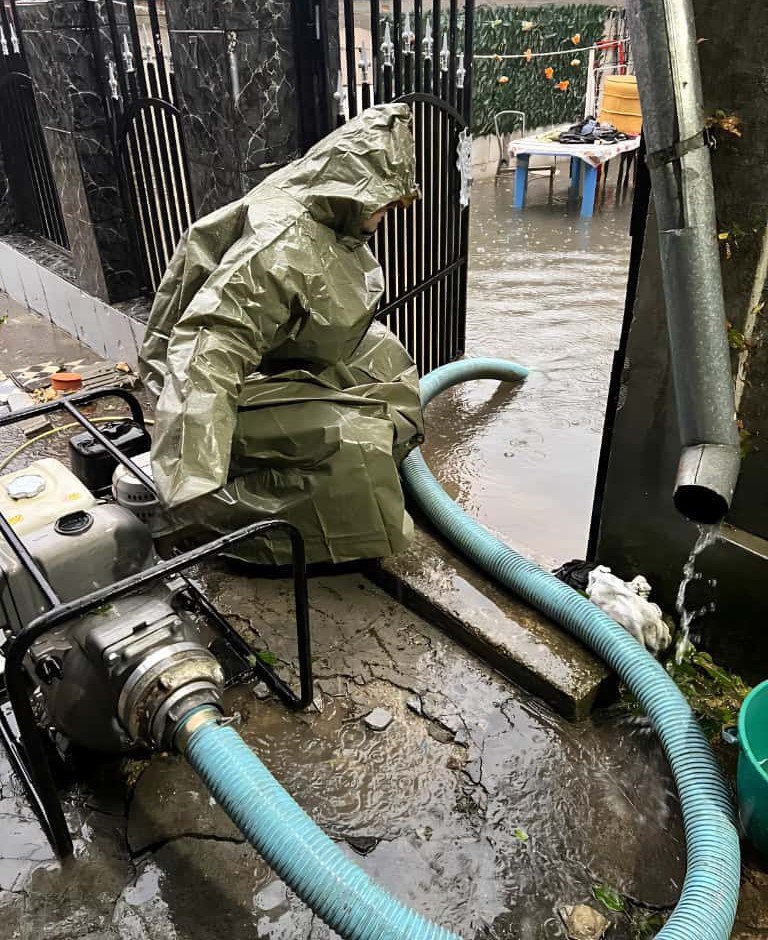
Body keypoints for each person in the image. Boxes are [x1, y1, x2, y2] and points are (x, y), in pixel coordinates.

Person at [140, 103, 425, 566]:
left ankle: (349, 485)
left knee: (387, 361)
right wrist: (189, 474)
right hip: (205, 390)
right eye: (385, 205)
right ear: (358, 190)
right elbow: (212, 346)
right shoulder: (280, 245)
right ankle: (228, 526)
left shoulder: (321, 209)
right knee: (355, 436)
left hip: (266, 354)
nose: (388, 214)